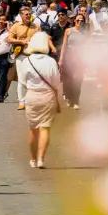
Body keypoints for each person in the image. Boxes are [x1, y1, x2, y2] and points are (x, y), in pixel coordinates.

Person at [19, 32, 64, 169]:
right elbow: (57, 83)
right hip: (48, 96)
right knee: (45, 128)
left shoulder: (27, 61)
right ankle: (40, 159)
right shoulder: (51, 62)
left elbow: (22, 82)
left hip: (32, 96)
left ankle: (32, 159)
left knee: (33, 129)